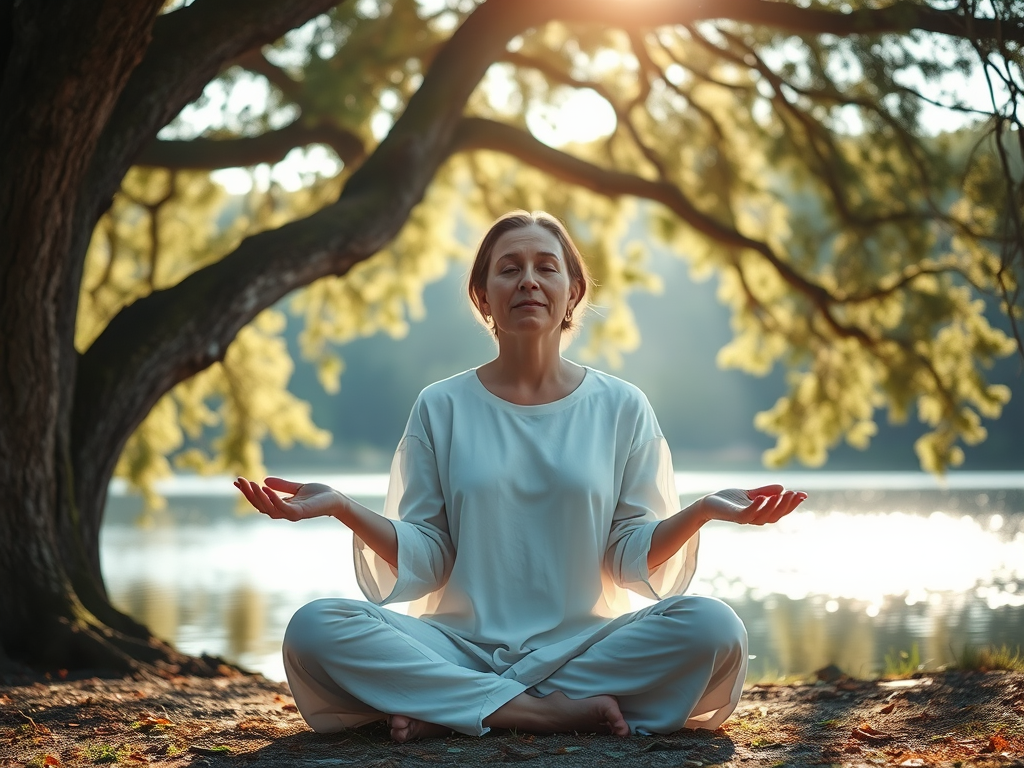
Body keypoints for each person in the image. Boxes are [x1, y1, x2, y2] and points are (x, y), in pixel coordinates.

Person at [235, 210, 807, 743]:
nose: (528, 280)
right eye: (509, 269)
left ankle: (458, 709)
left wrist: (704, 509)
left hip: (583, 646)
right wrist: (341, 507)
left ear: (571, 293)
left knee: (714, 627)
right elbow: (429, 556)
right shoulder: (442, 406)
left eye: (545, 268)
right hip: (456, 647)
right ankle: (529, 709)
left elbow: (627, 555)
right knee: (315, 628)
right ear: (484, 297)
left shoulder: (622, 406)